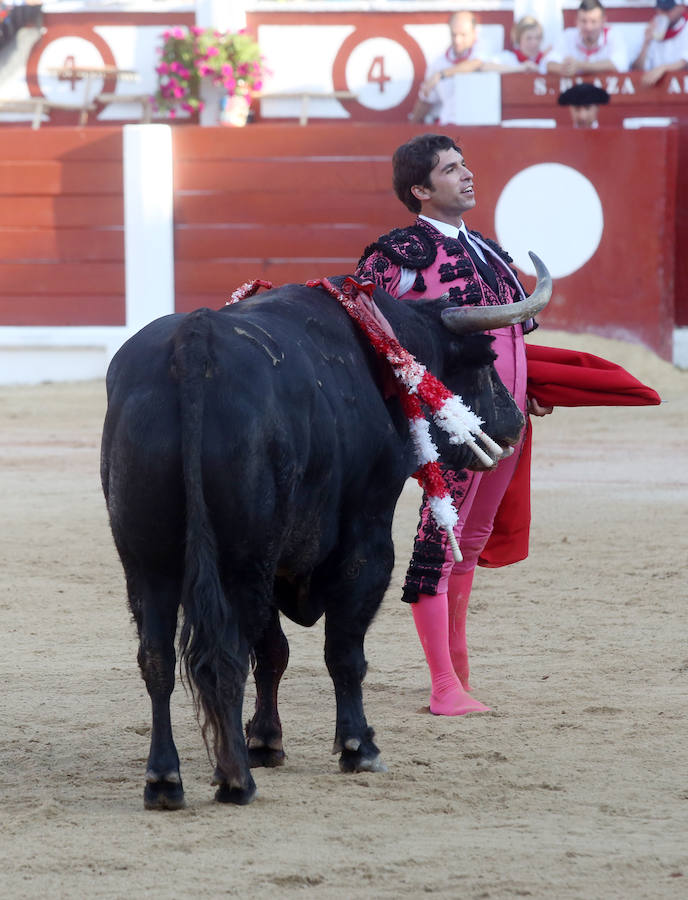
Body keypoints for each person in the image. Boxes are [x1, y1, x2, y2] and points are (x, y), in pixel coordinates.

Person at [355, 134, 552, 716]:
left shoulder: (487, 250)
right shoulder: (396, 257)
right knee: (439, 540)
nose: (466, 175)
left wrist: (526, 388)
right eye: (450, 169)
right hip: (449, 423)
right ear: (420, 189)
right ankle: (444, 688)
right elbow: (368, 334)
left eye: (464, 165)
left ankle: (458, 677)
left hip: (502, 418)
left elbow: (510, 336)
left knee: (467, 542)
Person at [410, 11, 491, 123]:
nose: (457, 40)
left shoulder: (484, 49)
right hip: (449, 125)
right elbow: (425, 100)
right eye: (454, 34)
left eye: (463, 35)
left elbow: (477, 63)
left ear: (474, 33)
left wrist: (441, 74)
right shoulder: (438, 63)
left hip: (479, 125)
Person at [546, 0, 628, 76]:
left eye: (593, 21)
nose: (588, 27)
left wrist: (580, 66)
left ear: (603, 21)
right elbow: (549, 64)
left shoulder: (613, 35)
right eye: (584, 21)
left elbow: (620, 64)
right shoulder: (567, 35)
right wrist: (565, 68)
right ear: (577, 20)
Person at [631, 0, 688, 86]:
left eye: (667, 9)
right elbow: (637, 69)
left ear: (681, 8)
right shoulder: (652, 29)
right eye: (660, 9)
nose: (663, 13)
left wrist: (663, 68)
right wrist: (646, 43)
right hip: (657, 94)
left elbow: (685, 62)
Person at [484, 15, 552, 74]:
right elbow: (485, 66)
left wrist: (538, 70)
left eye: (538, 37)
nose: (534, 42)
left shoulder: (547, 59)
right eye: (528, 38)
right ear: (519, 39)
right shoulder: (509, 57)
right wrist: (521, 68)